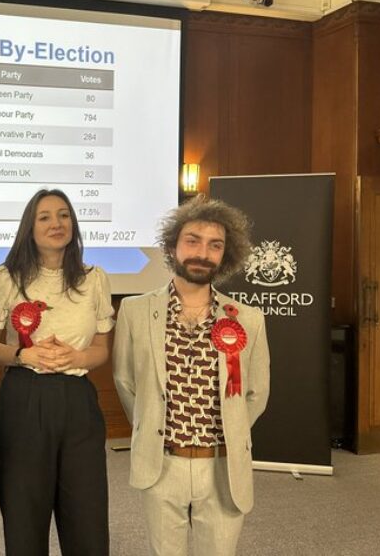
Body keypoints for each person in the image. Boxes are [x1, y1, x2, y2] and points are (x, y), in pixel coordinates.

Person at [113, 194, 270, 556]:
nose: (203, 253)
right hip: (161, 464)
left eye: (215, 245)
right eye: (193, 241)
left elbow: (257, 393)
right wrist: (151, 426)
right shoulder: (136, 312)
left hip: (222, 468)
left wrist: (230, 428)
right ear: (172, 246)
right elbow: (125, 382)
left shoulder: (247, 319)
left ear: (225, 255)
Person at [0, 188, 114, 556]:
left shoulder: (94, 278)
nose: (57, 223)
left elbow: (102, 350)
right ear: (30, 227)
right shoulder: (6, 278)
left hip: (77, 402)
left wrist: (77, 357)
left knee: (87, 518)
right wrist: (25, 354)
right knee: (25, 517)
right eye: (46, 217)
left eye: (64, 215)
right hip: (25, 396)